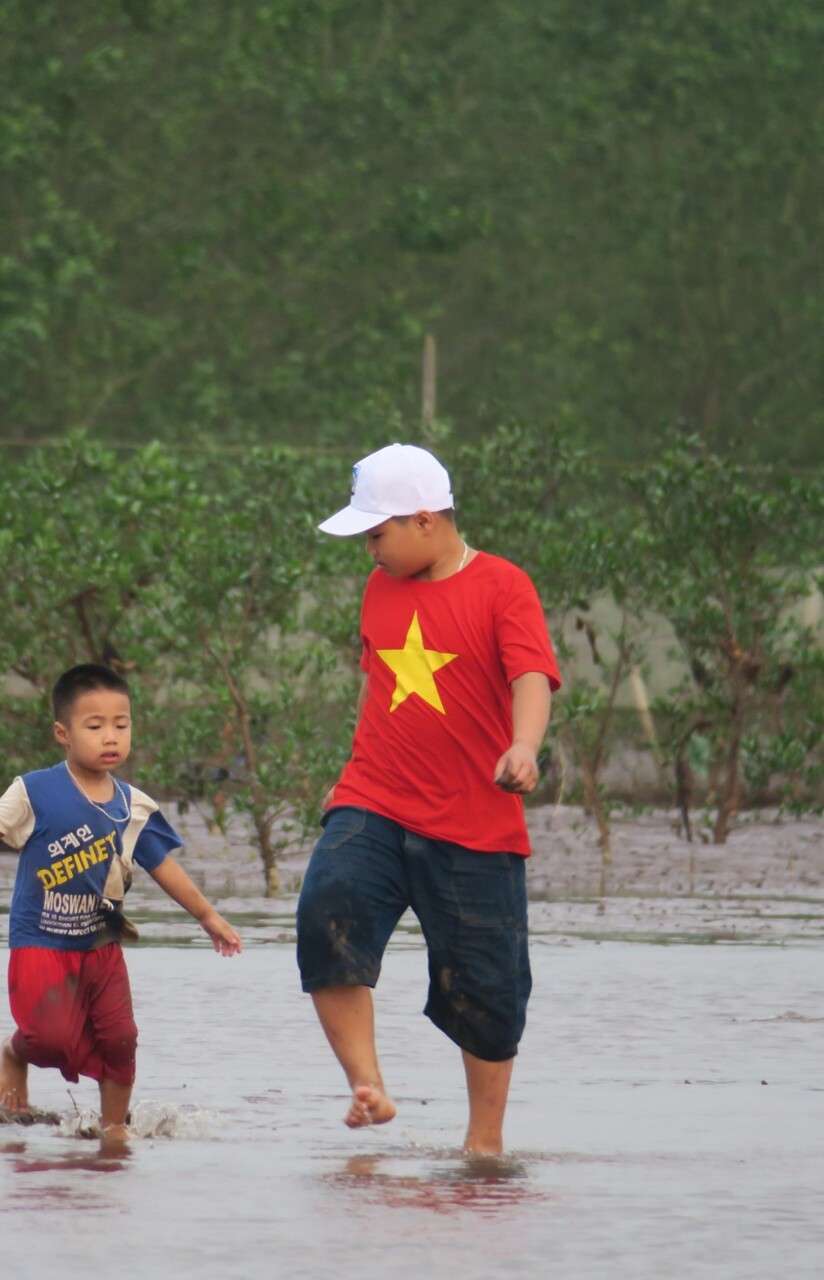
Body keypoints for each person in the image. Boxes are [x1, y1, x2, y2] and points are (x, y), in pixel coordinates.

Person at [298, 443, 560, 1156]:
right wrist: (350, 769)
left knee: (487, 993)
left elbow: (531, 676)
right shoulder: (380, 587)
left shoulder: (504, 585)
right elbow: (378, 685)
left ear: (423, 520)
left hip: (475, 821)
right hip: (374, 798)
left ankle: (484, 1147)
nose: (369, 551)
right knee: (325, 912)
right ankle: (368, 1087)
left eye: (376, 534)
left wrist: (524, 747)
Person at [0, 664, 242, 1140]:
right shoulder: (35, 791)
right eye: (95, 726)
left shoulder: (133, 806)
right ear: (63, 733)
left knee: (121, 1039)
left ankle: (114, 1131)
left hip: (101, 944)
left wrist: (208, 916)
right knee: (48, 1038)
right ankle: (14, 1052)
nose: (110, 736)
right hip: (41, 941)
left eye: (121, 724)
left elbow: (163, 867)